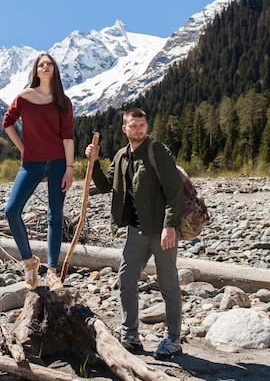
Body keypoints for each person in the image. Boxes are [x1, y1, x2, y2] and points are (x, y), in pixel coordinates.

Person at [85, 107, 185, 360]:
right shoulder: (120, 156)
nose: (138, 129)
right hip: (135, 232)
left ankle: (173, 340)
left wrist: (170, 225)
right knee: (127, 280)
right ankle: (130, 335)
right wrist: (94, 162)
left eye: (142, 125)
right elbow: (105, 186)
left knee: (169, 285)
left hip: (161, 231)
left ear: (146, 127)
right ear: (124, 128)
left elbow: (175, 191)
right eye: (133, 125)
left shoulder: (157, 151)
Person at [3, 53, 74, 291]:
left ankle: (52, 272)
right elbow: (7, 122)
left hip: (58, 163)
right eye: (40, 64)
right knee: (12, 210)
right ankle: (29, 262)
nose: (45, 67)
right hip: (31, 163)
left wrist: (70, 169)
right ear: (35, 70)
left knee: (55, 215)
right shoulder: (24, 97)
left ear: (54, 70)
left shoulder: (63, 101)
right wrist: (22, 148)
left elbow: (68, 137)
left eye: (49, 64)